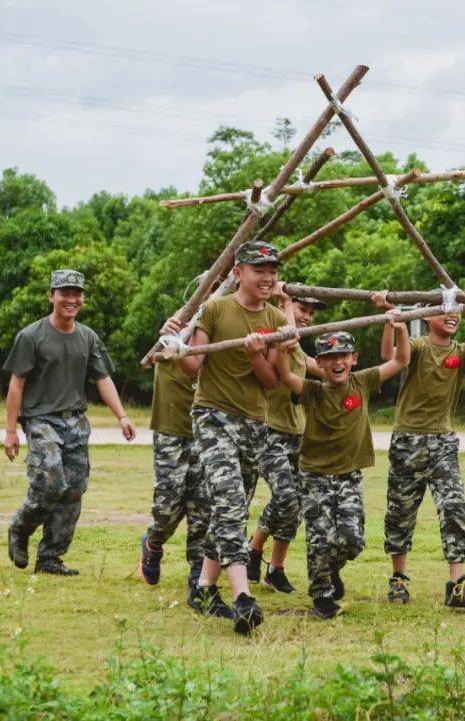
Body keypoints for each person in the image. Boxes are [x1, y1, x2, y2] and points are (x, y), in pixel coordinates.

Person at [159, 240, 287, 634]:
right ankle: (243, 597)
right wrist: (175, 348)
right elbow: (193, 367)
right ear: (238, 273)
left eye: (272, 271)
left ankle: (203, 589)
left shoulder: (278, 322)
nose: (267, 278)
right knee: (230, 502)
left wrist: (254, 356)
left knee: (229, 508)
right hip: (213, 418)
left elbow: (272, 382)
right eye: (258, 270)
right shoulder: (215, 309)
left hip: (254, 424)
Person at [372, 292, 465, 609]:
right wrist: (393, 320)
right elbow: (392, 355)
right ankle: (398, 579)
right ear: (426, 316)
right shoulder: (419, 347)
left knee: (454, 508)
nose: (451, 316)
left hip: (444, 442)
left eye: (456, 311)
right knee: (401, 513)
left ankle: (457, 586)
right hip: (408, 441)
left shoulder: (463, 352)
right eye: (443, 310)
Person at [4, 269, 136, 576]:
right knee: (50, 483)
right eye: (64, 293)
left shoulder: (88, 337)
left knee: (74, 490)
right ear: (51, 296)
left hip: (76, 422)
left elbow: (102, 379)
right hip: (41, 420)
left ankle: (50, 557)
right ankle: (20, 528)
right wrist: (11, 431)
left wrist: (122, 415)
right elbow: (16, 385)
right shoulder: (31, 336)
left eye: (77, 294)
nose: (71, 299)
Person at [274, 320, 410, 619]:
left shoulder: (362, 381)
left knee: (353, 539)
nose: (338, 362)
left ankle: (331, 568)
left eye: (344, 356)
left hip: (349, 474)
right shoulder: (312, 391)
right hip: (315, 476)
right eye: (330, 358)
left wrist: (400, 328)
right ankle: (321, 595)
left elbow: (400, 360)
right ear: (319, 363)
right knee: (319, 537)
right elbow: (284, 374)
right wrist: (283, 348)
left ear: (354, 359)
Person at [246, 290, 328, 594]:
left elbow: (328, 371)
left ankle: (275, 568)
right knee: (286, 497)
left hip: (298, 434)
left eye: (310, 312)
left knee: (296, 505)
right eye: (300, 308)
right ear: (283, 308)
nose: (306, 316)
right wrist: (282, 302)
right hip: (269, 431)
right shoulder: (272, 342)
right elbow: (283, 334)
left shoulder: (300, 353)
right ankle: (254, 548)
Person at [137, 357, 207, 597]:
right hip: (171, 431)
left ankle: (199, 568)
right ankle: (153, 543)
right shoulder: (173, 335)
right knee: (167, 507)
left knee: (202, 507)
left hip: (207, 432)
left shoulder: (217, 332)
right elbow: (155, 352)